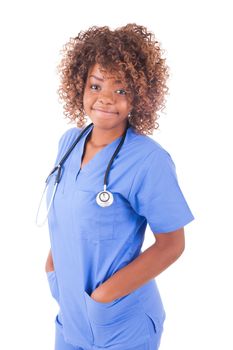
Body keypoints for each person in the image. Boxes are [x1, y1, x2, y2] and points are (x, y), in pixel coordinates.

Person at [44, 23, 195, 350]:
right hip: (70, 318)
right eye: (96, 85)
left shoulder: (148, 160)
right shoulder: (69, 143)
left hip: (119, 323)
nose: (105, 99)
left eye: (121, 89)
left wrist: (105, 296)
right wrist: (54, 267)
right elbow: (66, 212)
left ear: (140, 95)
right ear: (80, 85)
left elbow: (172, 243)